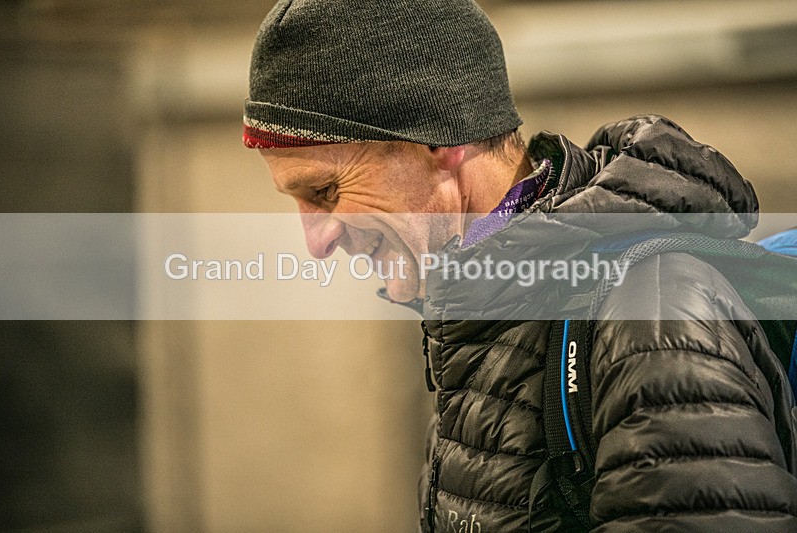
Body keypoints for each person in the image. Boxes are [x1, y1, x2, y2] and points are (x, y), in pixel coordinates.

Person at [243, 0, 797, 530]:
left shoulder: (650, 320)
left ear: (439, 138)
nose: (315, 240)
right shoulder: (479, 310)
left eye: (325, 189)